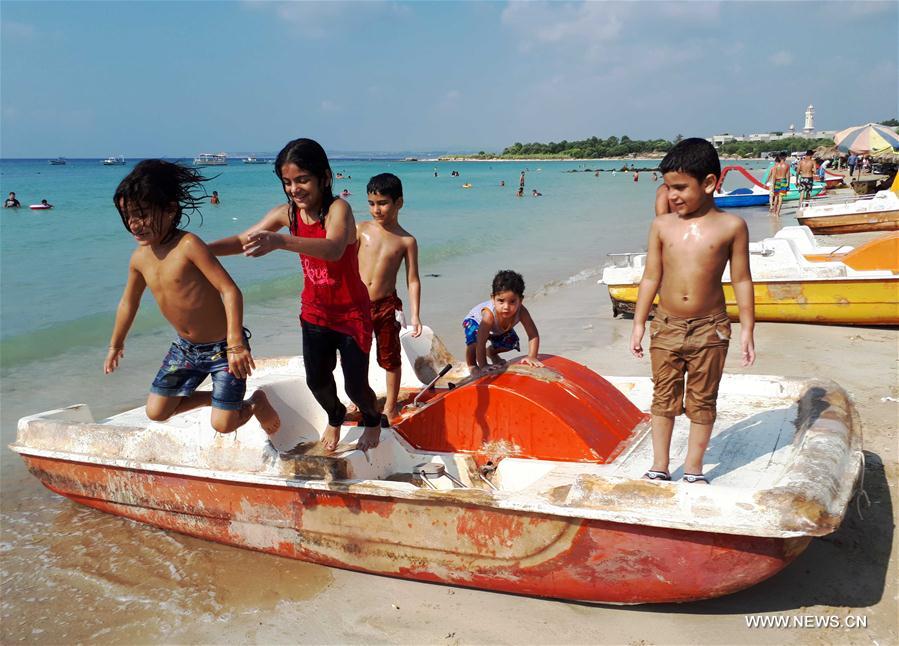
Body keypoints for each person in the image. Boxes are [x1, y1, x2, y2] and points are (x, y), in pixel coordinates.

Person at [208, 138, 382, 452]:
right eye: (288, 182)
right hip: (315, 312)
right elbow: (242, 240)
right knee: (317, 380)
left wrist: (281, 242)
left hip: (351, 313)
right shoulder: (285, 214)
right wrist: (201, 252)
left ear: (324, 178)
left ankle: (372, 418)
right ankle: (335, 415)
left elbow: (333, 248)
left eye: (302, 180)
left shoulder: (337, 209)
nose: (294, 189)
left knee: (356, 385)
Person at [104, 160, 279, 437]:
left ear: (170, 209)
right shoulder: (139, 258)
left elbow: (230, 290)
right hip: (185, 350)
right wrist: (116, 343)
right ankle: (222, 401)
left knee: (223, 425)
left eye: (142, 214)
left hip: (224, 348)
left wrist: (235, 343)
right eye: (128, 216)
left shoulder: (189, 245)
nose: (134, 224)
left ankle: (254, 404)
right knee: (157, 411)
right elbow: (129, 302)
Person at [629, 138, 755, 485]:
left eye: (681, 187)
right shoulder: (662, 226)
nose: (673, 196)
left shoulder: (731, 227)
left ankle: (695, 469)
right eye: (669, 188)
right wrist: (639, 322)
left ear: (710, 183)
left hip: (710, 327)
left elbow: (742, 279)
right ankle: (660, 464)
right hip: (666, 324)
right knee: (663, 395)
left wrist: (747, 327)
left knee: (703, 399)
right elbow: (651, 275)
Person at [357, 173, 422, 421]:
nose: (376, 209)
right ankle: (366, 403)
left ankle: (390, 407)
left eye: (383, 203)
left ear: (399, 203)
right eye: (371, 203)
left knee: (390, 357)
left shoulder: (406, 240)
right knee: (357, 357)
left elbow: (412, 279)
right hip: (358, 306)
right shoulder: (361, 230)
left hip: (386, 305)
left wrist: (415, 314)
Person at [463, 270, 542, 377]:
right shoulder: (488, 315)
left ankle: (491, 352)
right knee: (475, 340)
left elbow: (533, 335)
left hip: (497, 329)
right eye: (500, 300)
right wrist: (484, 365)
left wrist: (532, 356)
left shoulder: (522, 312)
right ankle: (471, 364)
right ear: (493, 298)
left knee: (512, 342)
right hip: (475, 322)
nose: (506, 307)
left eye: (512, 301)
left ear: (521, 300)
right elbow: (481, 342)